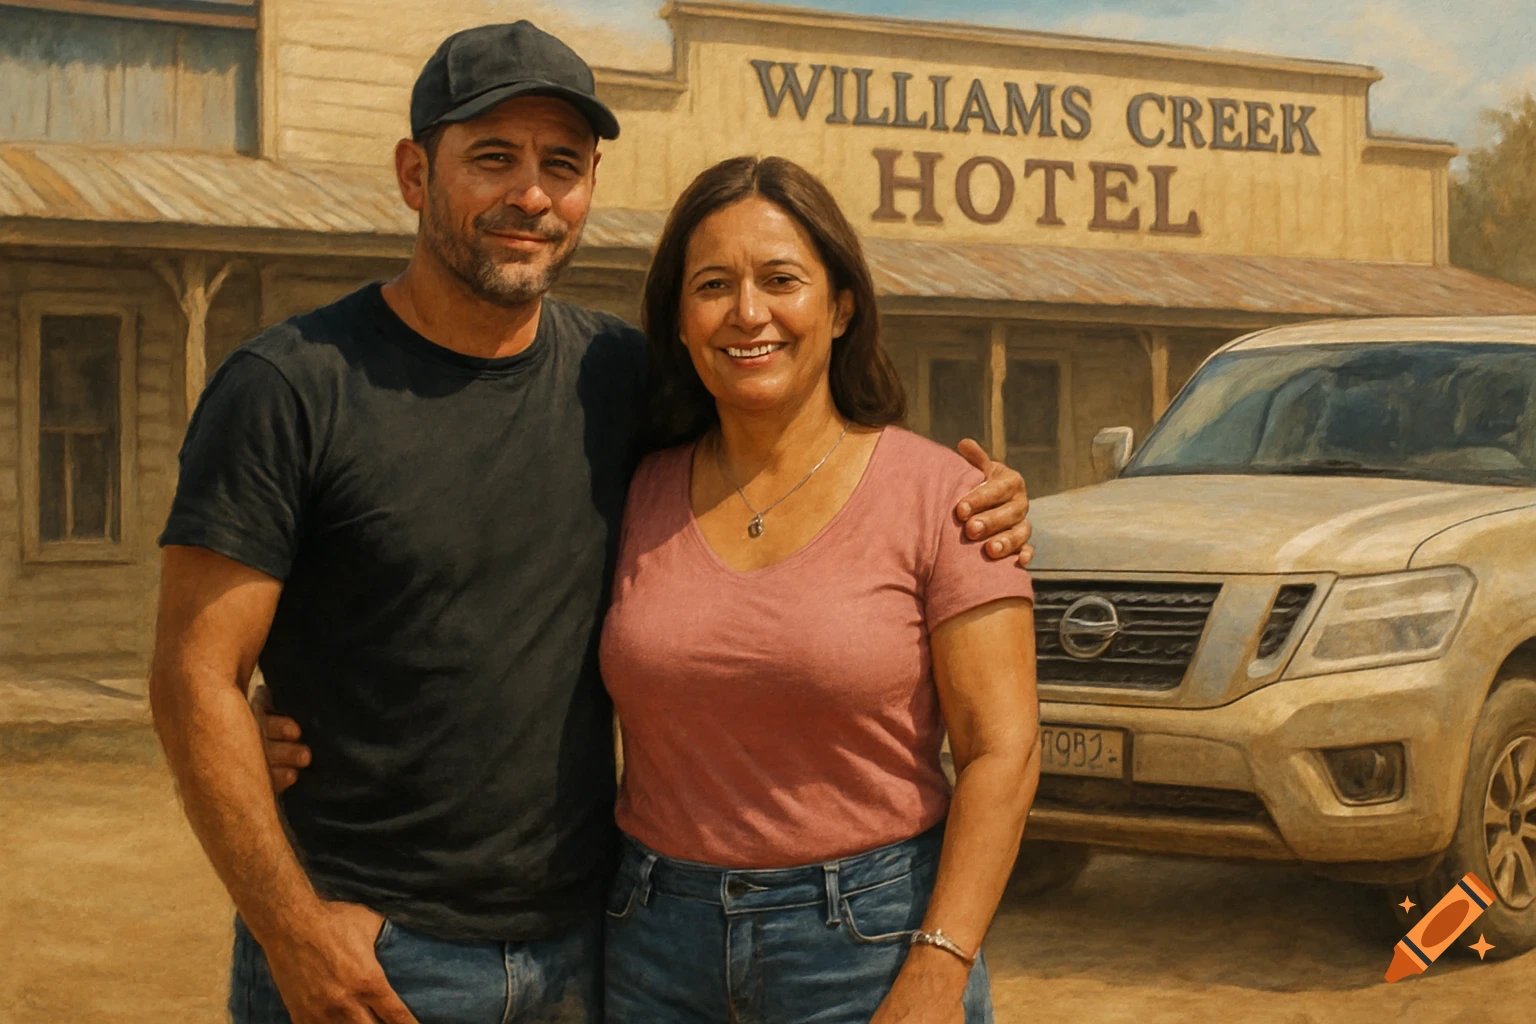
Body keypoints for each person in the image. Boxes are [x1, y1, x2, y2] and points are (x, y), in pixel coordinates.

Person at [146, 20, 1035, 1024]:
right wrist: (291, 927)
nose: (530, 193)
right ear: (412, 173)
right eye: (493, 157)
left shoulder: (616, 384)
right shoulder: (290, 389)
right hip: (375, 953)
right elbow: (192, 675)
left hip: (587, 954)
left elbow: (797, 426)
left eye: (560, 165)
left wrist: (976, 497)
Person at [598, 156, 1039, 1023]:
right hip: (651, 940)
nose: (748, 312)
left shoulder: (947, 497)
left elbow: (1004, 752)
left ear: (840, 306)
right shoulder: (629, 489)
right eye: (713, 285)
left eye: (781, 280)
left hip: (870, 942)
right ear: (680, 322)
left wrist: (939, 968)